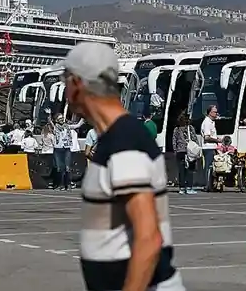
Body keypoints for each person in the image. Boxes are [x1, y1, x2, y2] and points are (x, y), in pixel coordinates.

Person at [60, 43, 184, 291]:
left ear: (76, 85)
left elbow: (148, 239)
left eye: (65, 81)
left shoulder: (124, 143)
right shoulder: (116, 139)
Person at [172, 112, 199, 195]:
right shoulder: (190, 128)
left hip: (180, 151)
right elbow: (194, 139)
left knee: (181, 170)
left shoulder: (176, 129)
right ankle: (189, 187)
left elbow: (174, 141)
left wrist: (175, 150)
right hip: (189, 151)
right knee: (190, 169)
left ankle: (182, 188)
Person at [200, 105, 221, 191]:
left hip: (212, 147)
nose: (216, 113)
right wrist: (217, 140)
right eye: (215, 112)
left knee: (213, 167)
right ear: (210, 113)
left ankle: (211, 185)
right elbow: (207, 137)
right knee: (208, 167)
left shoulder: (212, 122)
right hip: (208, 148)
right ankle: (207, 186)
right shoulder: (207, 122)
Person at [50, 114, 72, 191]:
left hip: (66, 148)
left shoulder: (67, 126)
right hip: (58, 149)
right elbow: (50, 121)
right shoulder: (55, 127)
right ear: (56, 120)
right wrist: (49, 114)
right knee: (60, 168)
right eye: (60, 118)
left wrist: (83, 117)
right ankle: (61, 185)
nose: (62, 119)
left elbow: (78, 125)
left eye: (62, 118)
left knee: (67, 168)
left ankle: (68, 184)